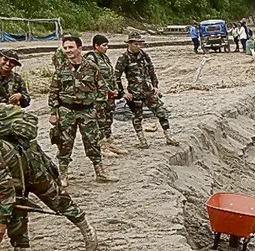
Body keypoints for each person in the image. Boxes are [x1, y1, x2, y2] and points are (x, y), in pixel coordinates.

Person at [49, 35, 118, 186]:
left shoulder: (92, 67)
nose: (68, 50)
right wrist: (54, 113)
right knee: (64, 144)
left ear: (79, 49)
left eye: (71, 47)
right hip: (66, 111)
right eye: (65, 48)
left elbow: (102, 89)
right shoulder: (61, 69)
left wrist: (96, 108)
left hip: (87, 111)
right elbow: (53, 92)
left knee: (93, 142)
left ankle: (100, 172)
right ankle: (63, 175)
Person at [115, 32, 179, 149]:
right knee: (138, 116)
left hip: (148, 91)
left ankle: (169, 137)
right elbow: (116, 77)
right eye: (136, 44)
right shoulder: (123, 58)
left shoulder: (144, 56)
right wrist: (123, 93)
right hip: (134, 93)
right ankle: (142, 141)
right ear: (129, 44)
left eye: (140, 44)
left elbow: (152, 72)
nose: (138, 46)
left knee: (161, 112)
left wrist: (155, 86)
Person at [84, 35, 127, 157]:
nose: (106, 48)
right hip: (99, 97)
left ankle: (109, 142)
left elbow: (111, 75)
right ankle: (102, 146)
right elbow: (94, 78)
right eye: (104, 45)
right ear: (96, 46)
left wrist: (116, 90)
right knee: (100, 121)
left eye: (107, 45)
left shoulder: (104, 58)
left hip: (109, 96)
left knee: (108, 119)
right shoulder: (91, 58)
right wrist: (107, 91)